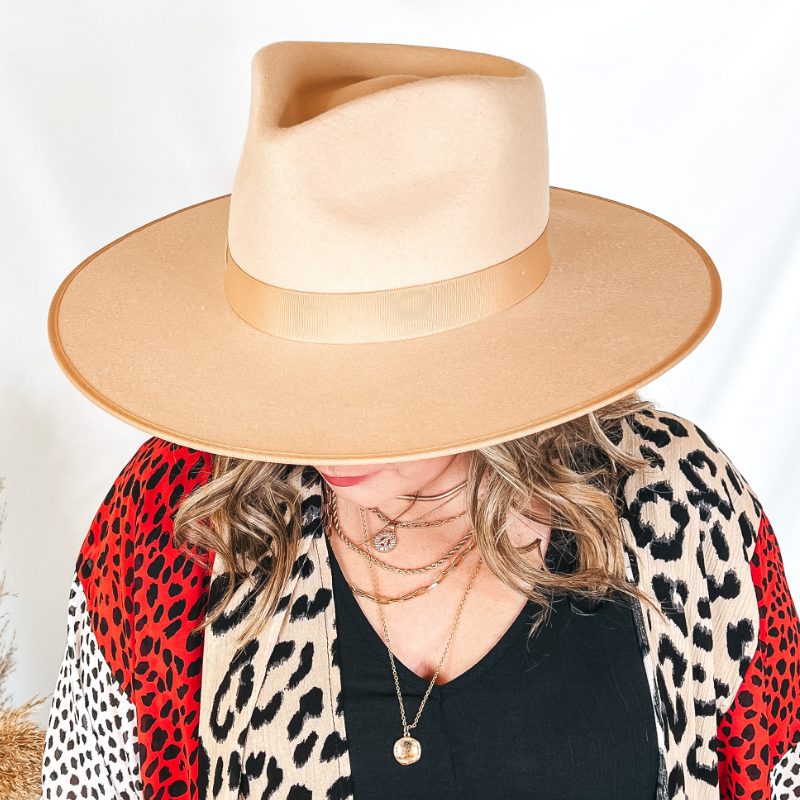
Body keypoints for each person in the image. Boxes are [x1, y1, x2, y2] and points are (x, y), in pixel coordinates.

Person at [41, 41, 799, 800]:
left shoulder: (676, 496)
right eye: (294, 372)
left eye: (382, 382)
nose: (324, 431)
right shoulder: (179, 514)